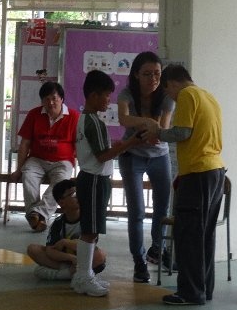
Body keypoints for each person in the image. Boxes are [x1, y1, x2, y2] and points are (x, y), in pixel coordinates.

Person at [142, 64, 225, 306]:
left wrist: (158, 132)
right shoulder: (207, 95)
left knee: (188, 234)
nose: (171, 97)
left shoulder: (187, 95)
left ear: (172, 83)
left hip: (197, 173)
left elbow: (182, 132)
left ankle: (190, 292)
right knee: (204, 235)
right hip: (215, 170)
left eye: (168, 91)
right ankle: (203, 289)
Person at [72, 69, 142, 297]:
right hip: (94, 180)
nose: (108, 100)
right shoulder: (94, 123)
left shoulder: (86, 119)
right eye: (106, 95)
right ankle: (83, 276)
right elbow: (102, 156)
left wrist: (118, 145)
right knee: (90, 231)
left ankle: (84, 275)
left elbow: (99, 151)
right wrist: (130, 143)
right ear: (93, 95)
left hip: (93, 178)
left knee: (92, 230)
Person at [117, 52, 174, 283]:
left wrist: (151, 129)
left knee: (162, 207)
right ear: (136, 75)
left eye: (157, 74)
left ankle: (157, 249)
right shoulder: (126, 94)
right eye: (147, 74)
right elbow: (123, 119)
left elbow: (162, 130)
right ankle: (138, 261)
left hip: (160, 156)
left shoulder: (167, 97)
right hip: (132, 155)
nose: (153, 79)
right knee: (137, 212)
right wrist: (148, 122)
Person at [11, 81, 80, 233]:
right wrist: (18, 169)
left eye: (54, 98)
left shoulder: (74, 117)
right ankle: (38, 217)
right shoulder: (34, 114)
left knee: (61, 183)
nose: (51, 102)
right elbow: (25, 144)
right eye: (46, 99)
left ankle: (37, 215)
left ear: (61, 99)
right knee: (28, 175)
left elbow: (79, 145)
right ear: (42, 101)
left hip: (63, 161)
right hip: (37, 159)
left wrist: (82, 169)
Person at [27, 178, 106, 281]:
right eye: (73, 194)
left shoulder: (89, 219)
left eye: (78, 193)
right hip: (64, 259)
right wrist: (71, 258)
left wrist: (65, 242)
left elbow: (89, 246)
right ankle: (70, 272)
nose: (78, 196)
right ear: (62, 202)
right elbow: (50, 250)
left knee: (100, 255)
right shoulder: (58, 223)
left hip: (84, 260)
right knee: (33, 249)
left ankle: (62, 274)